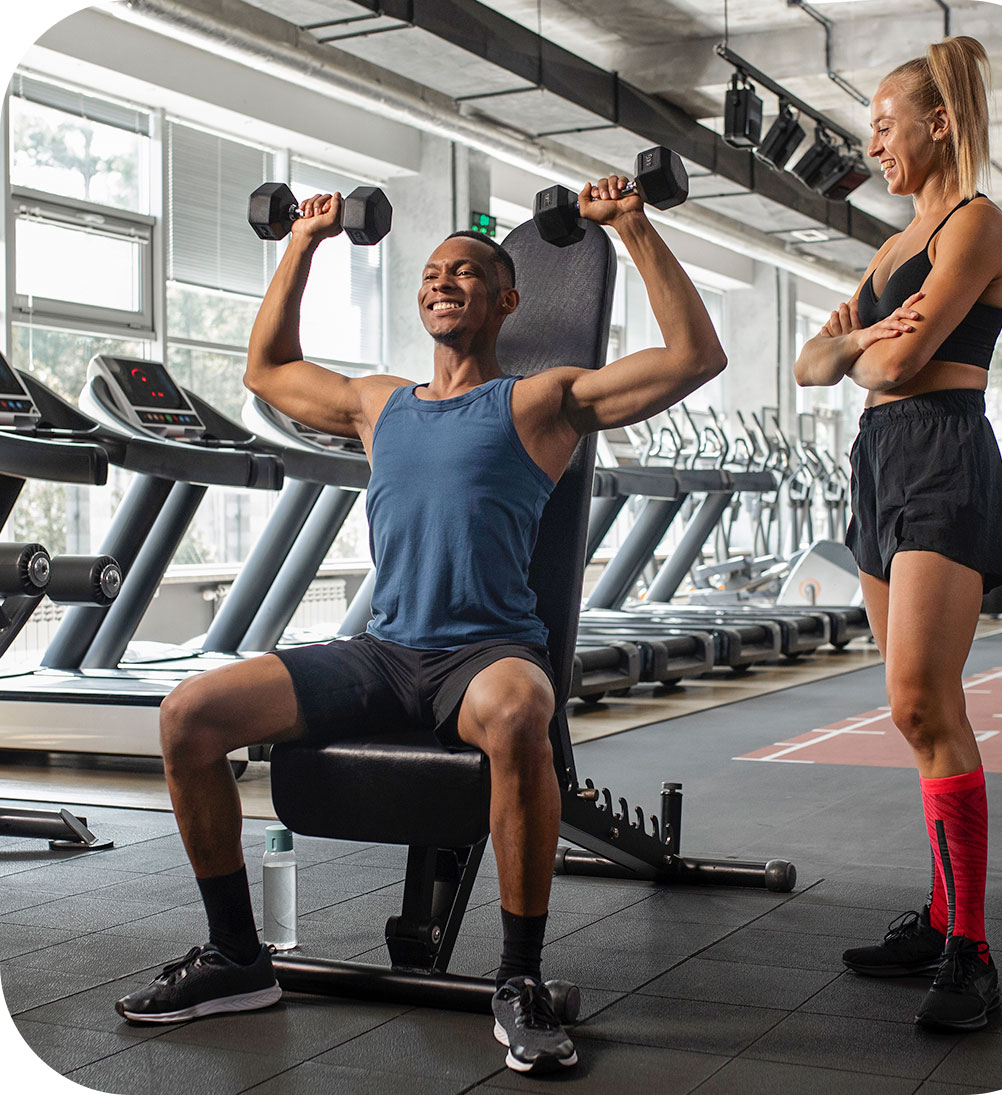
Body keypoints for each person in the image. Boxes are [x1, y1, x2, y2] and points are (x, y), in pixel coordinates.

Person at [113, 173, 726, 1072]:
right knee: (189, 715)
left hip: (483, 657)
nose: (444, 280)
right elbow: (266, 369)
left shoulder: (538, 400)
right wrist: (305, 243)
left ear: (507, 300)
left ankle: (518, 979)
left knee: (522, 712)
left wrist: (630, 226)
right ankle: (238, 957)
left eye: (468, 273)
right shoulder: (378, 404)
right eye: (433, 271)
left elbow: (693, 357)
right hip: (382, 650)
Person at [794, 35, 1002, 1032]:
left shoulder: (974, 225)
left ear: (937, 122)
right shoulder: (889, 252)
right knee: (908, 710)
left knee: (925, 701)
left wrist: (861, 350)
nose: (873, 143)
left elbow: (897, 366)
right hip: (878, 465)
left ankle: (969, 951)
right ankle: (938, 918)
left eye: (885, 125)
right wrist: (853, 342)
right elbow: (813, 365)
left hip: (939, 454)